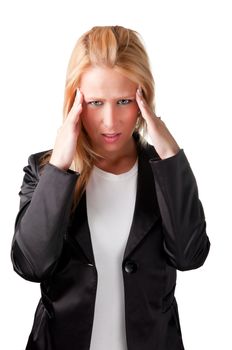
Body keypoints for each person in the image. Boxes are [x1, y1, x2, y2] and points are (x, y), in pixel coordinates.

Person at [10, 25, 210, 350]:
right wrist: (61, 165)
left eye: (123, 101)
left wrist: (170, 154)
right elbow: (31, 266)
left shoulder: (163, 172)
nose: (110, 121)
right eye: (95, 102)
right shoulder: (45, 170)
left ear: (144, 97)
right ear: (75, 101)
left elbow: (190, 256)